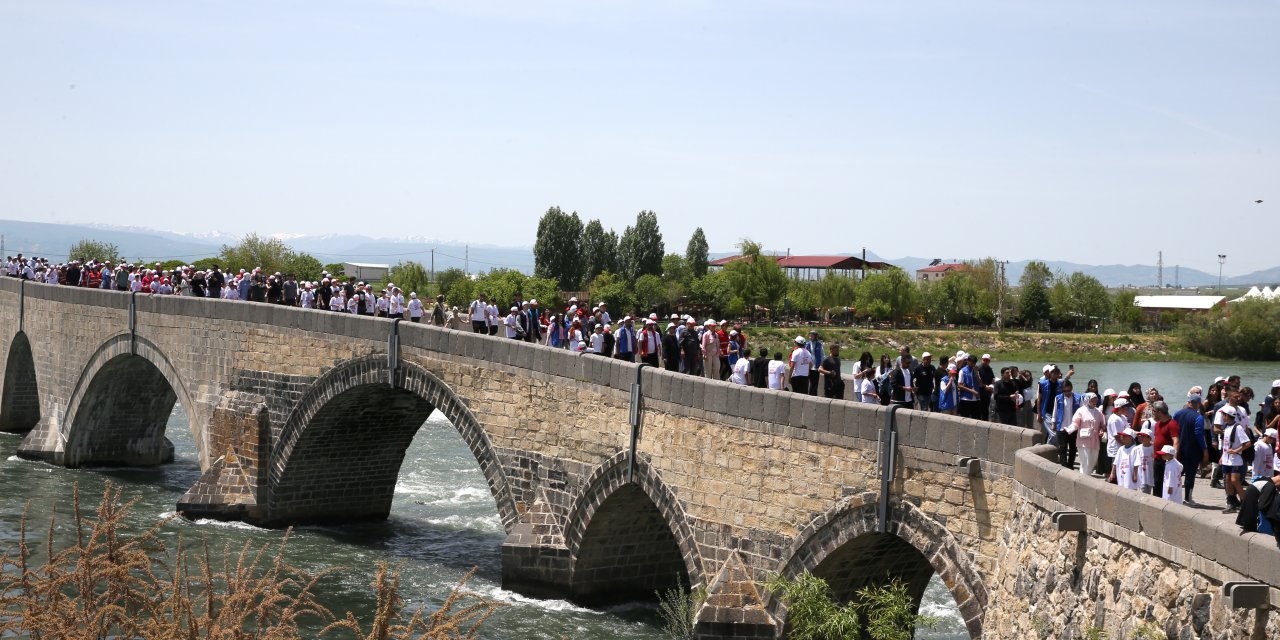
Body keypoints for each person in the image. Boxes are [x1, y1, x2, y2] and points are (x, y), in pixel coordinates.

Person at [1217, 390, 1253, 513]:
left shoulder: (1237, 428)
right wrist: (1223, 456)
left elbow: (1248, 443)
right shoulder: (1226, 427)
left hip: (1235, 459)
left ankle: (1245, 503)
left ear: (1228, 416)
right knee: (1227, 480)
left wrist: (1236, 450)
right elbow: (1226, 444)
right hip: (1226, 458)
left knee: (1234, 481)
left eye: (1224, 415)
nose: (1222, 417)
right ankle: (1232, 503)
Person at [1174, 389, 1208, 503]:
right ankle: (1188, 498)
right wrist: (1204, 449)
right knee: (1190, 475)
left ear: (1189, 402)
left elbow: (1174, 429)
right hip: (1193, 450)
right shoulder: (1198, 417)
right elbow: (1199, 434)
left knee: (1177, 473)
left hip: (1179, 449)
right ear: (1198, 404)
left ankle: (1173, 495)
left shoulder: (1178, 414)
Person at [1148, 401, 1179, 498]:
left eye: (1154, 411)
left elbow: (1176, 441)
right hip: (1157, 458)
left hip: (1166, 459)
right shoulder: (1157, 424)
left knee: (1165, 483)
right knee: (1157, 483)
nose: (1153, 413)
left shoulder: (1172, 424)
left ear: (1160, 412)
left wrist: (1174, 458)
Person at [1072, 392, 1105, 476]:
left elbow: (1102, 424)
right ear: (1087, 400)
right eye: (1092, 400)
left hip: (1095, 441)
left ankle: (1087, 477)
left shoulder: (1098, 412)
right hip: (1083, 441)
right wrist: (1070, 429)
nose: (1094, 402)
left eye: (1095, 400)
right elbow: (1075, 423)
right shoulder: (1081, 410)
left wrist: (1101, 430)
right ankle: (1083, 479)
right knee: (1085, 461)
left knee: (1092, 461)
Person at [1105, 396, 1132, 484]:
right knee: (1115, 467)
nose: (1127, 408)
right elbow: (1117, 436)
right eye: (1126, 406)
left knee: (1122, 468)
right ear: (1120, 408)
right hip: (1116, 448)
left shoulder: (1122, 417)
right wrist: (1126, 445)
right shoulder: (1114, 419)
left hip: (1123, 446)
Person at [805, 331, 825, 397]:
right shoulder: (807, 344)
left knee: (815, 383)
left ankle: (813, 396)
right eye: (809, 336)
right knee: (809, 382)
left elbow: (822, 356)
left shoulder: (819, 345)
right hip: (808, 367)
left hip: (816, 367)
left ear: (815, 336)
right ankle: (810, 395)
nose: (810, 337)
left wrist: (821, 365)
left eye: (812, 336)